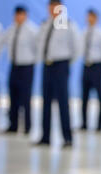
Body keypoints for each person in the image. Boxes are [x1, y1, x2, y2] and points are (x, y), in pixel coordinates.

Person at [35, 0, 79, 147]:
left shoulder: (68, 25)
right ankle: (45, 136)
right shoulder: (45, 24)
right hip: (47, 65)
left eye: (56, 6)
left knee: (62, 102)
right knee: (46, 101)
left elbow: (76, 48)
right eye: (51, 6)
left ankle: (67, 137)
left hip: (61, 65)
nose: (53, 9)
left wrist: (65, 64)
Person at [2, 5, 37, 134]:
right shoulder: (11, 29)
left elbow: (38, 48)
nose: (18, 17)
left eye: (21, 14)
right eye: (16, 15)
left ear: (25, 15)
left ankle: (27, 126)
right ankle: (13, 124)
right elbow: (1, 43)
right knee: (13, 95)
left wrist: (32, 61)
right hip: (14, 65)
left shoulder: (32, 30)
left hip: (27, 67)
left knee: (25, 97)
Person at [80, 9, 101, 132]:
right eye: (88, 17)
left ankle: (99, 124)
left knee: (99, 97)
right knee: (84, 96)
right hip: (86, 66)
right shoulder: (84, 32)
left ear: (96, 18)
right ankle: (84, 122)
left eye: (91, 17)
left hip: (97, 66)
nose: (89, 19)